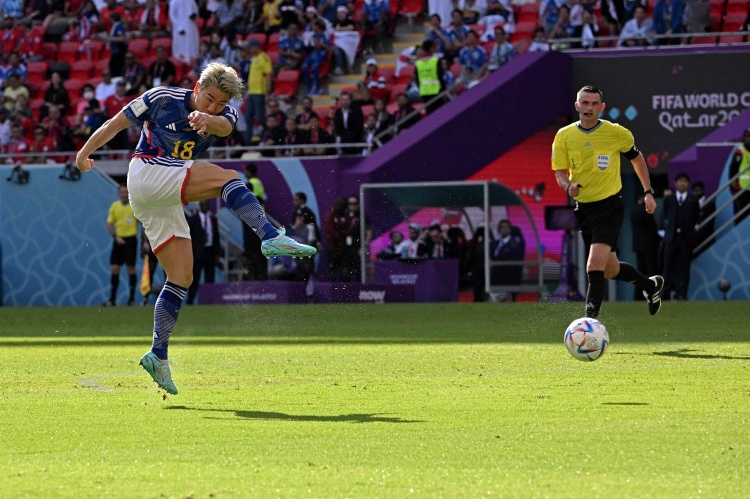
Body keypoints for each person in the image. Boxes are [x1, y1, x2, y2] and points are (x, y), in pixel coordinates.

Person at [75, 63, 316, 395]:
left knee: (181, 277)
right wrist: (84, 153)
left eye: (221, 102)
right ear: (198, 86)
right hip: (148, 172)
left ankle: (157, 355)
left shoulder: (224, 114)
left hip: (159, 196)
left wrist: (209, 119)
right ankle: (270, 236)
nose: (214, 106)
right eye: (210, 98)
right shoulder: (161, 97)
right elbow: (115, 123)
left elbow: (223, 127)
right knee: (230, 179)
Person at [552, 85, 663, 320]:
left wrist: (648, 191)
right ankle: (650, 286)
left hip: (609, 207)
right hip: (584, 209)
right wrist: (568, 186)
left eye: (594, 104)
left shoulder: (616, 133)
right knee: (611, 270)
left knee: (594, 267)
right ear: (577, 105)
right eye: (585, 103)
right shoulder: (564, 136)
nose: (589, 108)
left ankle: (589, 326)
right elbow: (560, 172)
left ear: (602, 108)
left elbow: (637, 158)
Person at [662, 172, 699, 301]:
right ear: (675, 183)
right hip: (671, 238)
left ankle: (682, 293)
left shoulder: (693, 200)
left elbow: (695, 217)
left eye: (685, 181)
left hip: (686, 239)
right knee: (668, 267)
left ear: (688, 184)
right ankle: (665, 293)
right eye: (680, 181)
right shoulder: (669, 199)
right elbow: (666, 215)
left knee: (684, 268)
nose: (682, 183)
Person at [104, 184, 138, 306]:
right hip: (118, 240)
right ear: (119, 193)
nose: (124, 194)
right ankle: (112, 299)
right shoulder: (115, 206)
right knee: (114, 268)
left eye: (126, 192)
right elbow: (109, 224)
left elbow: (143, 222)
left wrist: (146, 240)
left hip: (131, 240)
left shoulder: (135, 206)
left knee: (131, 268)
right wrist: (116, 237)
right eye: (122, 192)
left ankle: (132, 299)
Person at [186, 200, 221, 304]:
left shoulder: (213, 219)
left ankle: (209, 300)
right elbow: (190, 237)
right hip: (197, 253)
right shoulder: (193, 220)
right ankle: (191, 300)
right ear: (200, 206)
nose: (205, 206)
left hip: (210, 251)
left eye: (207, 205)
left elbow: (216, 237)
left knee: (210, 277)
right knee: (195, 277)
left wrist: (217, 253)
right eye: (203, 205)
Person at [630, 193, 660, 300]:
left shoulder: (633, 210)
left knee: (640, 271)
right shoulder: (646, 211)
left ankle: (638, 296)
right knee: (650, 270)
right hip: (649, 245)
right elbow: (652, 228)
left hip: (638, 245)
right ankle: (650, 293)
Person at [242, 163, 268, 281]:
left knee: (251, 249)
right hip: (260, 218)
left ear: (249, 171)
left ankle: (254, 277)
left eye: (245, 171)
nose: (244, 173)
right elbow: (260, 199)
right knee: (260, 249)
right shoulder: (259, 182)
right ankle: (262, 277)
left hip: (251, 219)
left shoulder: (249, 184)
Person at [243, 38, 272, 145]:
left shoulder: (264, 58)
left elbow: (268, 75)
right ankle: (248, 142)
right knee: (248, 117)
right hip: (252, 91)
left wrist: (268, 91)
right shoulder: (254, 58)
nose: (249, 50)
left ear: (256, 47)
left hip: (259, 92)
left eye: (251, 48)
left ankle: (269, 133)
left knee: (260, 117)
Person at [728, 128, 750, 224]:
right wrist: (735, 189)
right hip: (742, 191)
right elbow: (733, 172)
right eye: (749, 136)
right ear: (744, 138)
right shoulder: (739, 152)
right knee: (741, 218)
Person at [691, 180, 715, 252]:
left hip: (705, 238)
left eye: (698, 190)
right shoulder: (691, 204)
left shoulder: (709, 204)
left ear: (703, 190)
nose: (696, 193)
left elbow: (709, 223)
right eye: (694, 191)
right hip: (693, 239)